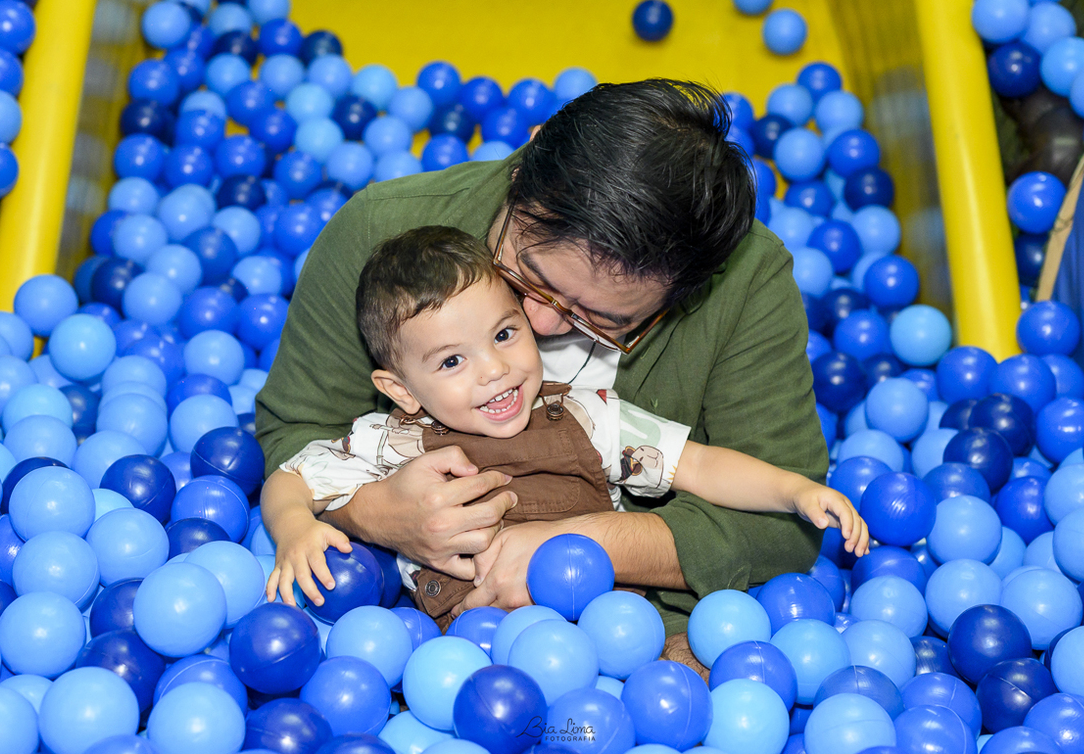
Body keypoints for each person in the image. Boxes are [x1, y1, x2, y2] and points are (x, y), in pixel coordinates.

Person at [255, 79, 831, 654]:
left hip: (631, 627)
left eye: (604, 320)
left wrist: (591, 544)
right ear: (523, 165)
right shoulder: (381, 235)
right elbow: (296, 431)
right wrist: (378, 514)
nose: (545, 324)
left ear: (683, 293)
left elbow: (786, 521)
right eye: (529, 275)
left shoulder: (747, 279)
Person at [261, 227, 868, 627]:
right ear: (400, 391)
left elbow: (702, 465)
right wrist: (293, 530)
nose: (495, 370)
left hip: (613, 627)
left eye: (504, 335)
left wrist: (794, 490)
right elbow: (292, 477)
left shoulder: (585, 414)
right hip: (473, 640)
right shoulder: (384, 441)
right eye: (452, 361)